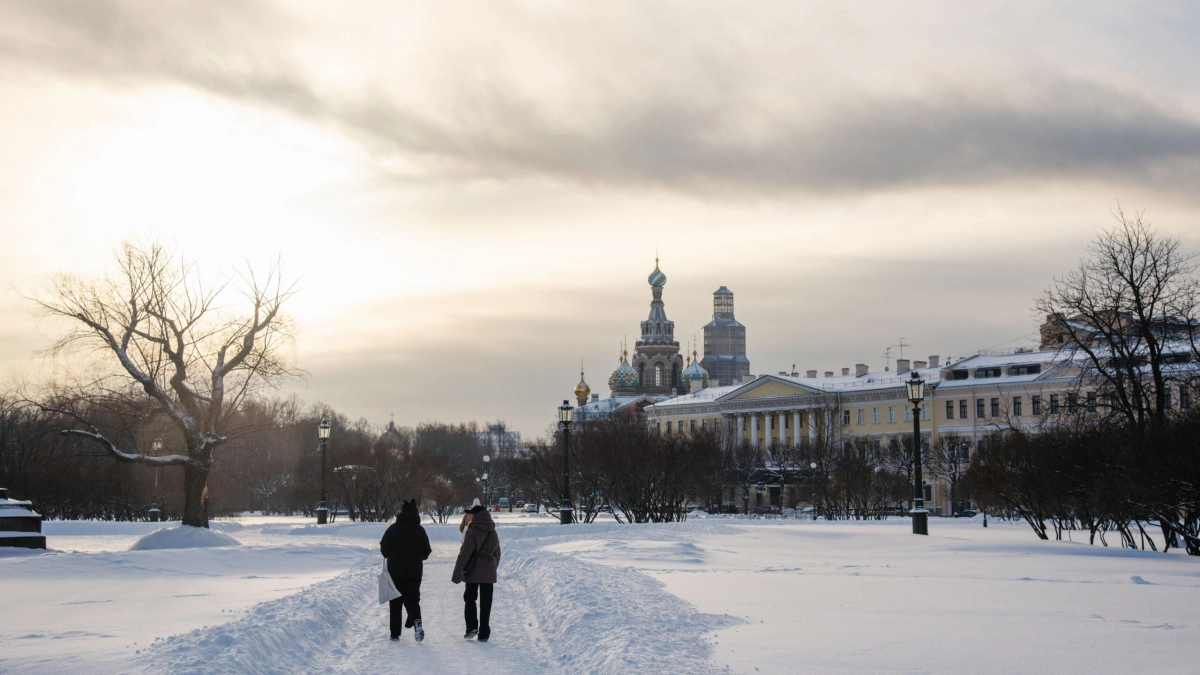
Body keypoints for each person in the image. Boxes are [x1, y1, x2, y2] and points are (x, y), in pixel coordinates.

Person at [380, 499, 432, 642]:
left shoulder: (392, 529)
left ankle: (395, 634)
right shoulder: (420, 530)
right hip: (414, 573)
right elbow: (426, 553)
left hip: (395, 572)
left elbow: (384, 549)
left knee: (395, 602)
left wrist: (391, 553)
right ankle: (417, 622)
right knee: (412, 600)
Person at [452, 504, 502, 642]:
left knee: (470, 598)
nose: (470, 517)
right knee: (486, 601)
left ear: (476, 516)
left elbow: (465, 554)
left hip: (473, 570)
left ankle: (472, 627)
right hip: (489, 569)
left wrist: (457, 574)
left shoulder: (472, 531)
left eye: (471, 515)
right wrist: (493, 567)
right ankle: (484, 631)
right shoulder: (493, 531)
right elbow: (497, 552)